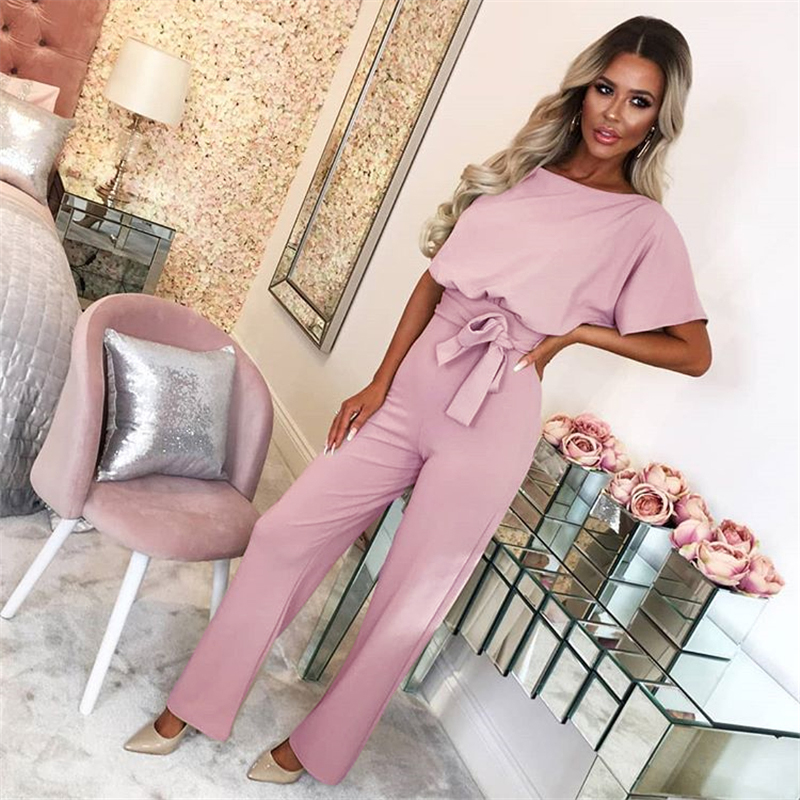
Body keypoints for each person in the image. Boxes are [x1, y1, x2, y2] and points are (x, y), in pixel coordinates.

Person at [123, 14, 711, 786]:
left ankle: (314, 748)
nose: (614, 114)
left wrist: (577, 335)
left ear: (657, 120)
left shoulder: (643, 226)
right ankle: (194, 705)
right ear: (582, 89)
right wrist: (380, 380)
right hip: (415, 386)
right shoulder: (519, 172)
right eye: (606, 89)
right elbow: (435, 281)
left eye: (639, 102)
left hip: (496, 413)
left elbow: (693, 352)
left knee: (407, 600)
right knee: (284, 535)